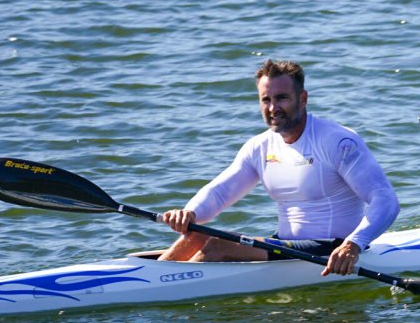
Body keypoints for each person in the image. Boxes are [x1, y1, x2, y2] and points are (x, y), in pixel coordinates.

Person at [158, 59, 400, 276]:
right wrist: (189, 213)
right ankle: (156, 275)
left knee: (217, 246)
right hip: (285, 245)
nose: (273, 108)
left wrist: (353, 244)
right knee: (198, 232)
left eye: (281, 98)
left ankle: (166, 290)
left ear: (302, 99)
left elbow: (385, 199)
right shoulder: (259, 146)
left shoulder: (337, 141)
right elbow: (220, 192)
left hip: (333, 246)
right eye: (266, 100)